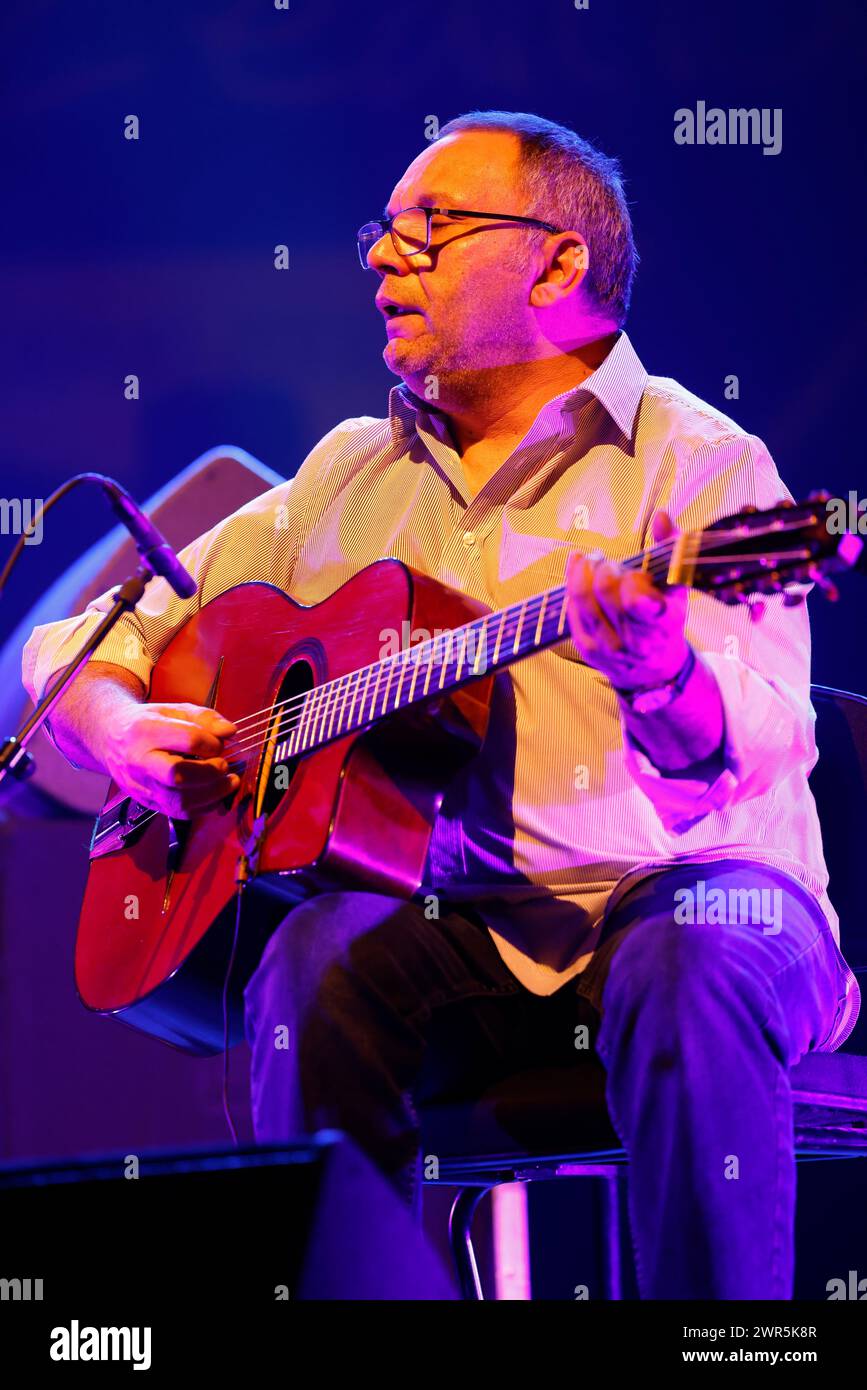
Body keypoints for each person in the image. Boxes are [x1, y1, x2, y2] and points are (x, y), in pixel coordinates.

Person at [22, 110, 860, 1299]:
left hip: (701, 906)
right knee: (314, 952)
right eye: (384, 230)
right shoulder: (343, 476)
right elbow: (86, 635)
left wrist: (658, 669)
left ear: (558, 264)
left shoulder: (702, 463)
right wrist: (112, 723)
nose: (381, 256)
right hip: (468, 928)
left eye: (431, 228)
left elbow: (750, 755)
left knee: (687, 954)